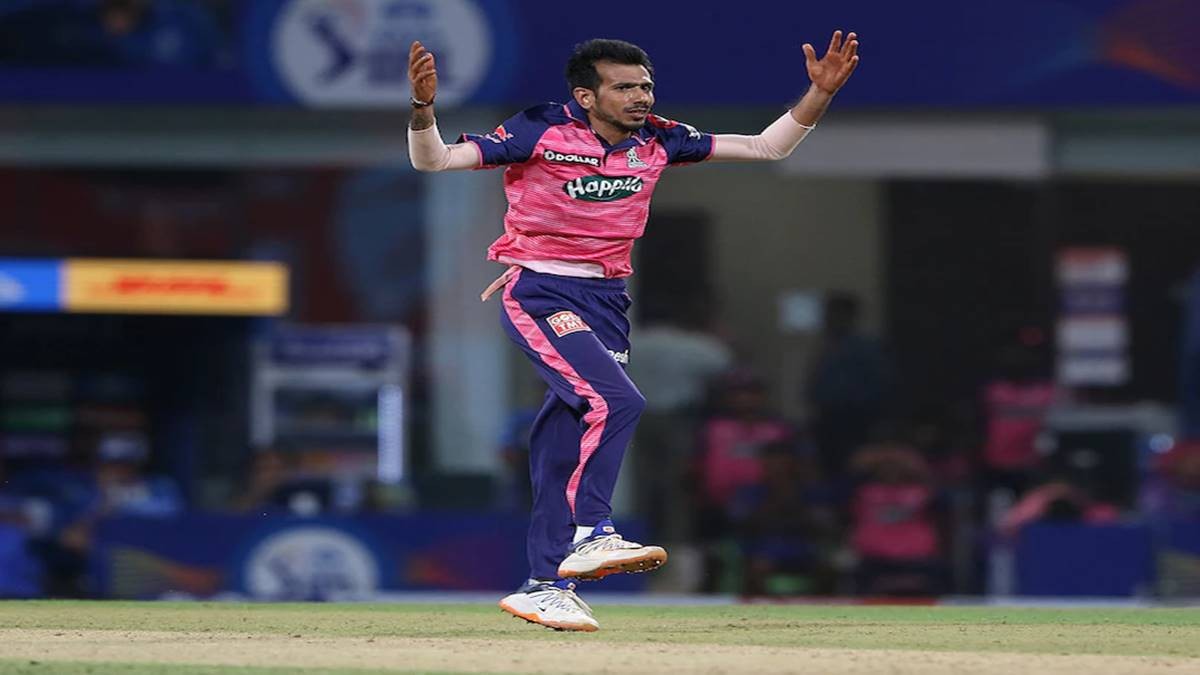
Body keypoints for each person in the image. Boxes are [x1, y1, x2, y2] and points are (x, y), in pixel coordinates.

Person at [407, 32, 860, 631]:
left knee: (561, 444)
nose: (640, 97)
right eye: (623, 87)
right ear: (585, 96)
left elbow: (766, 146)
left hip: (607, 299)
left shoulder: (659, 139)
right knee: (617, 400)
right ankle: (594, 531)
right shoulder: (539, 129)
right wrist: (423, 110)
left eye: (645, 85)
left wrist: (818, 94)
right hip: (541, 291)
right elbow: (435, 161)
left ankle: (544, 586)